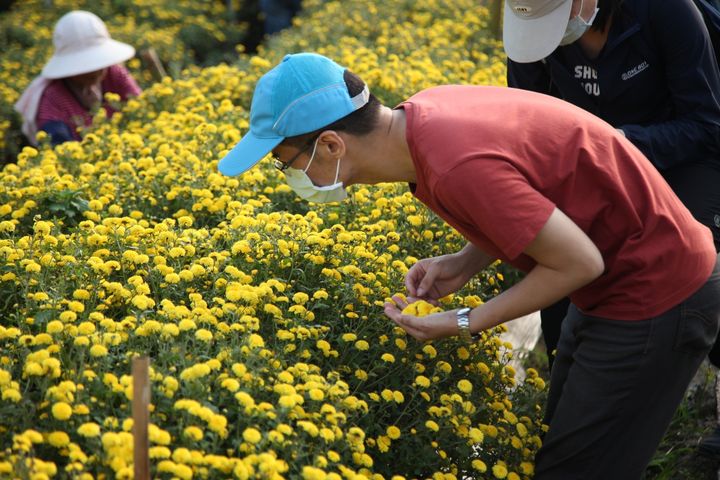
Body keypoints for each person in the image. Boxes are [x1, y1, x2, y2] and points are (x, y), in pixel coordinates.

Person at [216, 52, 720, 479]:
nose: (290, 176)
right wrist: (466, 261)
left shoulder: (455, 164)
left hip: (655, 288)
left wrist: (462, 321)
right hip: (622, 275)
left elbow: (577, 263)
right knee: (564, 443)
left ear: (330, 143)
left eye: (286, 162)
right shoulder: (426, 119)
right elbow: (533, 186)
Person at [502, 0, 720, 457]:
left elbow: (705, 122)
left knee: (694, 269)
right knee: (565, 274)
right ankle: (574, 413)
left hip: (684, 150)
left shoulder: (667, 12)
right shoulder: (533, 31)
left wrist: (621, 142)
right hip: (598, 156)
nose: (551, 32)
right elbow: (524, 121)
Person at [14, 10, 141, 147]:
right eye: (85, 67)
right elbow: (59, 150)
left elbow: (141, 107)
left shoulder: (114, 73)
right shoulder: (53, 98)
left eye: (99, 62)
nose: (95, 71)